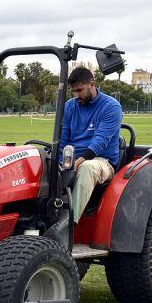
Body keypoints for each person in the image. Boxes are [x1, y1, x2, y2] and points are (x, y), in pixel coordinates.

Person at [59, 66, 124, 224]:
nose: (76, 95)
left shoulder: (111, 107)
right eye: (73, 91)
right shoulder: (69, 106)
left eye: (80, 90)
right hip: (71, 159)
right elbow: (63, 138)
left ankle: (69, 226)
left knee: (87, 168)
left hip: (102, 161)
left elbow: (99, 142)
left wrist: (76, 163)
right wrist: (60, 162)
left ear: (92, 84)